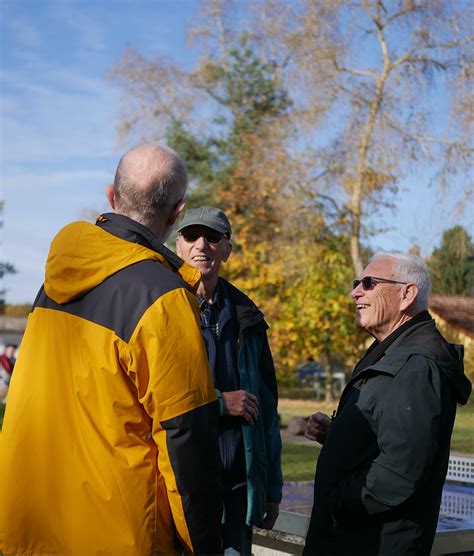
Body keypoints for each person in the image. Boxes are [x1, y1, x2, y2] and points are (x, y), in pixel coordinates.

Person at [0, 145, 222, 555]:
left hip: (27, 527)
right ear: (177, 214)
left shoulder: (52, 283)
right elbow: (185, 440)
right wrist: (205, 545)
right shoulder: (164, 297)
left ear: (111, 196)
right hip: (119, 536)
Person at [303, 252, 472, 555]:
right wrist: (340, 436)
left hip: (373, 543)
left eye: (369, 283)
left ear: (407, 294)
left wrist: (336, 501)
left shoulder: (418, 364)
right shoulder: (389, 351)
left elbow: (399, 473)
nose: (355, 292)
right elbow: (388, 434)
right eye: (357, 283)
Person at [176, 206, 283, 555]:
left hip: (237, 487)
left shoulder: (247, 314)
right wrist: (222, 402)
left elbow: (267, 407)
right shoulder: (163, 306)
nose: (201, 245)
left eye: (212, 237)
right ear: (177, 245)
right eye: (191, 236)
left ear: (227, 250)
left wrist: (271, 488)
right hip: (182, 486)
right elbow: (154, 396)